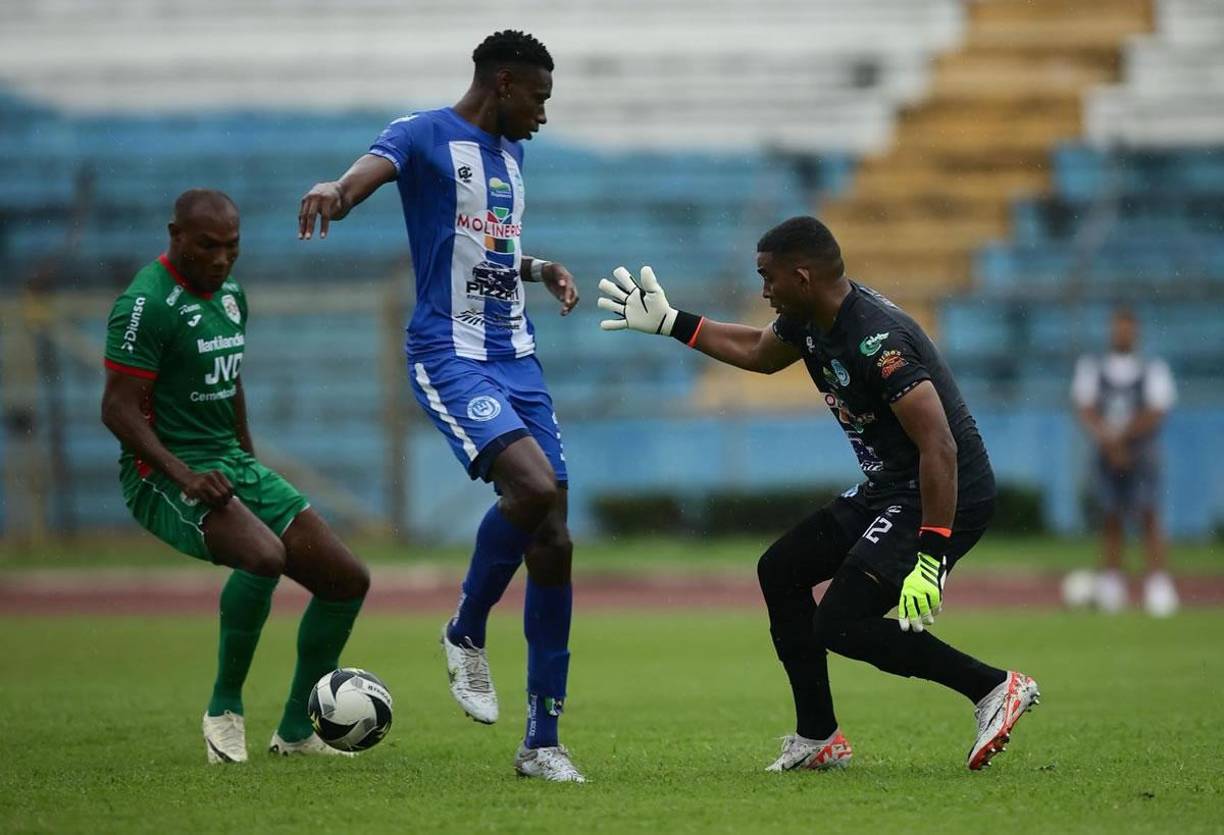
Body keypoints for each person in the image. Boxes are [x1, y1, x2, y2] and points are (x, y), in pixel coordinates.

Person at [597, 216, 1040, 772]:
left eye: (768, 278)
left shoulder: (878, 340)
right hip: (891, 487)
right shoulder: (811, 320)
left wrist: (931, 556)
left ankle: (994, 688)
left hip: (944, 491)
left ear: (802, 276)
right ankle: (818, 736)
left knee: (840, 622)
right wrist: (671, 323)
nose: (763, 291)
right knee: (780, 570)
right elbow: (759, 352)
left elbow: (940, 446)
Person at [297, 31, 583, 781]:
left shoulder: (513, 157)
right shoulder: (425, 133)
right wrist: (337, 190)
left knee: (554, 537)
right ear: (503, 84)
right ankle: (464, 627)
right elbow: (368, 171)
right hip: (449, 354)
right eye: (540, 99)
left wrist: (537, 266)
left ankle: (542, 743)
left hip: (514, 354)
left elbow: (481, 253)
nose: (544, 116)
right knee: (531, 487)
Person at [101, 189, 370, 763]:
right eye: (207, 246)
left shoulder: (231, 295)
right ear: (175, 235)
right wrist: (183, 474)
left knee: (347, 580)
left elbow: (231, 381)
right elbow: (117, 409)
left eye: (232, 247)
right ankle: (224, 711)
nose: (221, 259)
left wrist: (247, 460)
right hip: (161, 474)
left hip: (231, 464)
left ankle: (297, 733)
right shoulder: (146, 305)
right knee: (264, 557)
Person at [1071, 307, 1178, 616]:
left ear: (1136, 331)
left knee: (1149, 513)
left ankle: (1157, 582)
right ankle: (1113, 581)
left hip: (1140, 453)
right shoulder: (1093, 367)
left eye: (1127, 327)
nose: (1122, 333)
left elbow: (1157, 410)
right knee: (1111, 515)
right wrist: (1108, 439)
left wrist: (1121, 438)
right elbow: (1085, 407)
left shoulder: (1152, 368)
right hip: (1107, 452)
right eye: (1118, 327)